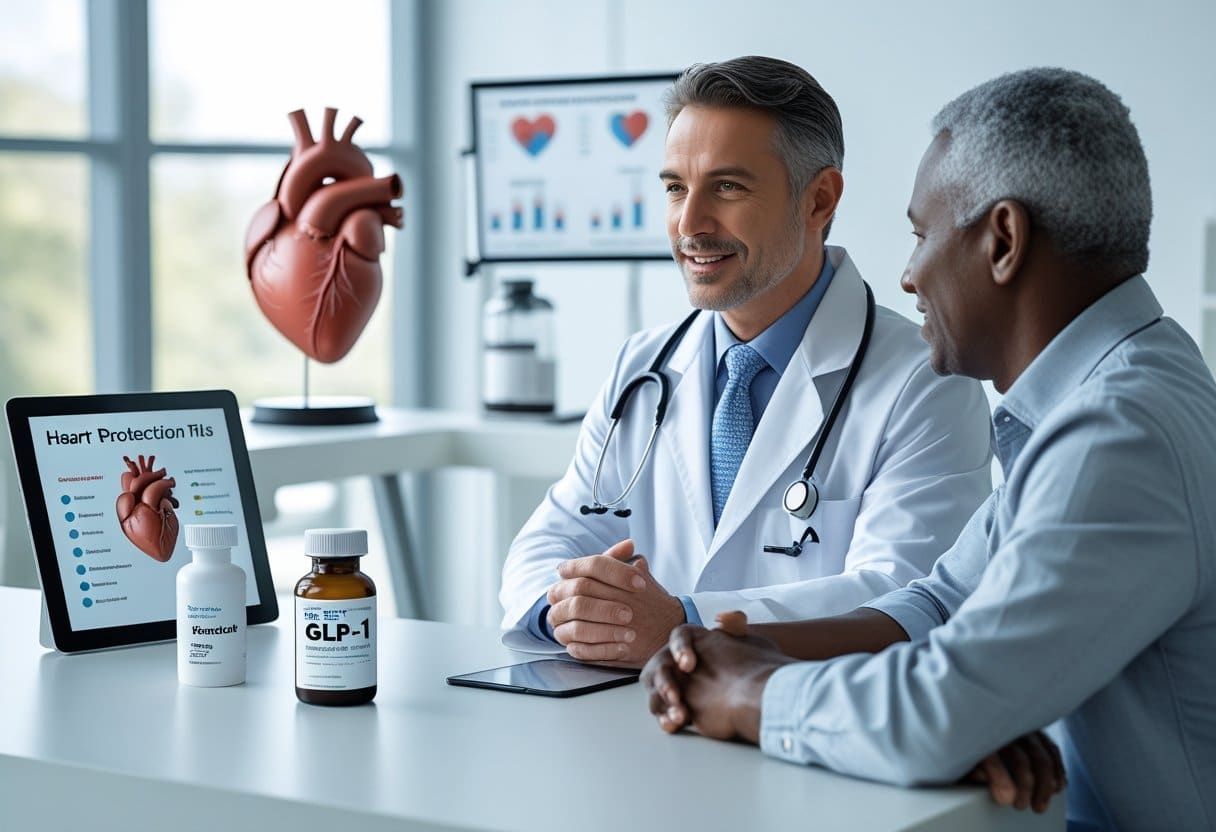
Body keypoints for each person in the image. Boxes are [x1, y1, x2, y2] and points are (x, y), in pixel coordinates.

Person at [642, 67, 1216, 830]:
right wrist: (717, 650)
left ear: (1003, 241)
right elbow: (942, 603)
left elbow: (940, 709)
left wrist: (749, 695)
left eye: (921, 234)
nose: (908, 275)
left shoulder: (1122, 432)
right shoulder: (1112, 393)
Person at [500, 56, 993, 666]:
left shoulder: (927, 381)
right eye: (675, 187)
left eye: (727, 187)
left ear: (819, 200)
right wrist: (573, 613)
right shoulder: (645, 365)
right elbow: (552, 540)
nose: (690, 224)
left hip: (810, 730)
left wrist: (685, 626)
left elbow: (906, 596)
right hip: (637, 725)